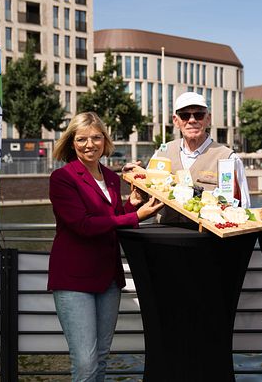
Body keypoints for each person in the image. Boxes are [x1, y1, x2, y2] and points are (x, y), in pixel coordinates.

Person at [48, 112, 163, 381]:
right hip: (74, 281)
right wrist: (136, 216)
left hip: (108, 278)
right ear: (71, 142)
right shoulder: (63, 178)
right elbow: (84, 225)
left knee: (100, 357)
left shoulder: (111, 177)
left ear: (105, 140)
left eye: (96, 137)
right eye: (82, 139)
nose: (90, 144)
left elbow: (112, 219)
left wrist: (131, 204)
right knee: (86, 362)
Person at [127, 91, 251, 222]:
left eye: (199, 115)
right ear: (176, 121)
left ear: (208, 119)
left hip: (206, 239)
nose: (192, 120)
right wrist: (133, 178)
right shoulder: (162, 153)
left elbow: (243, 208)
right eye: (185, 115)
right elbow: (146, 195)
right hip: (163, 235)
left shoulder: (229, 158)